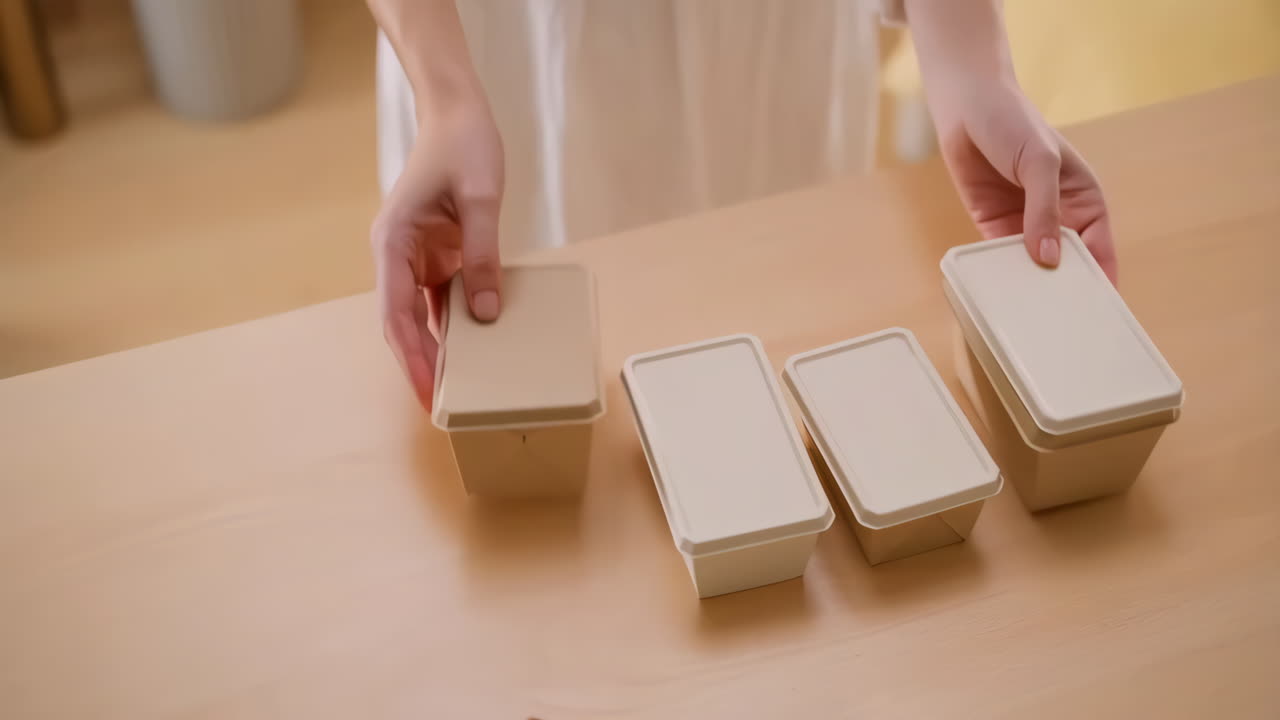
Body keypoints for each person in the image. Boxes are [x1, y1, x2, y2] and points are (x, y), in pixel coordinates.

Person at [367, 0, 1116, 410]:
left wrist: (969, 60)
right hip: (514, 50)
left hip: (773, 40)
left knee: (772, 352)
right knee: (538, 395)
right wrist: (446, 99)